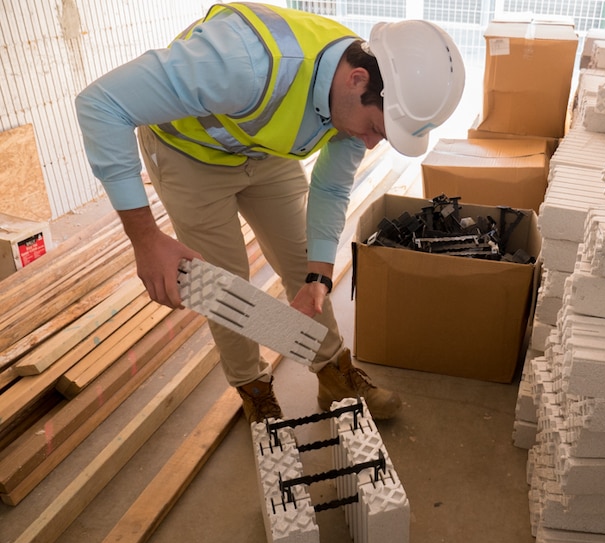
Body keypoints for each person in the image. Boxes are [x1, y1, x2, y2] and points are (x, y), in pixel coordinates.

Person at [75, 2, 466, 423]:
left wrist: (318, 274)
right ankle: (254, 388)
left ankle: (335, 375)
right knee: (224, 284)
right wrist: (146, 240)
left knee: (303, 263)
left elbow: (332, 187)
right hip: (191, 157)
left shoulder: (355, 99)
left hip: (264, 150)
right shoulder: (240, 62)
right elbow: (100, 105)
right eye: (374, 128)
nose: (370, 143)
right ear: (358, 79)